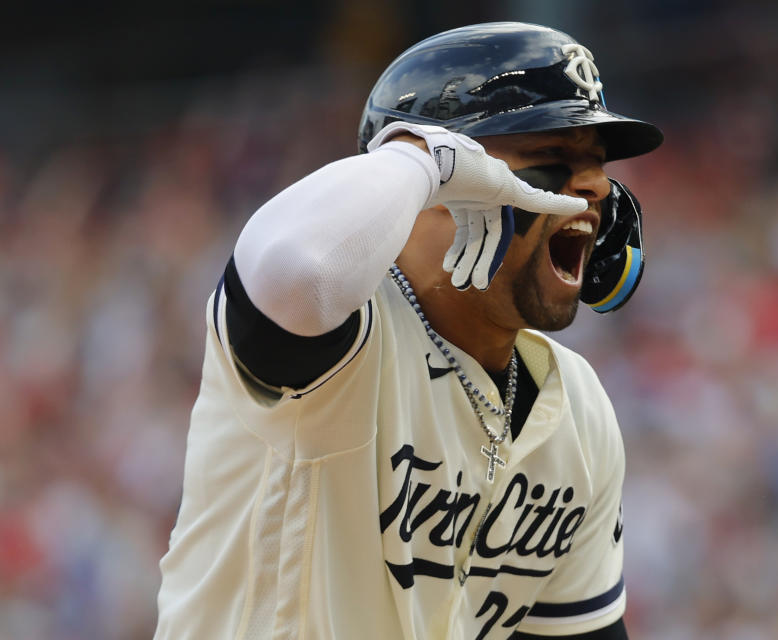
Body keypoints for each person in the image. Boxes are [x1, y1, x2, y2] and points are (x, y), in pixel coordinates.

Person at [154, 22, 662, 640]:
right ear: (446, 189)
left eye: (597, 165)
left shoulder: (576, 407)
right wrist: (422, 157)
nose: (599, 188)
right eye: (552, 159)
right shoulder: (342, 335)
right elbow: (294, 267)